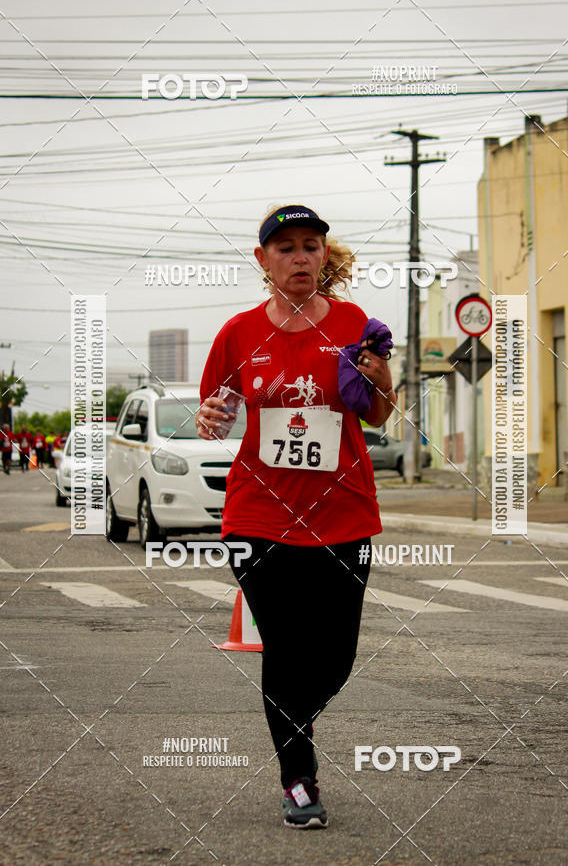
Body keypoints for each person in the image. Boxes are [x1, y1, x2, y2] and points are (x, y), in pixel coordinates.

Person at [196, 204, 396, 829]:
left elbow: (381, 415)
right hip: (258, 516)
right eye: (285, 247)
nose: (300, 256)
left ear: (323, 256)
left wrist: (379, 370)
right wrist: (211, 418)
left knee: (334, 657)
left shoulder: (355, 323)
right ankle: (299, 780)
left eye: (311, 245)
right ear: (263, 261)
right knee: (284, 649)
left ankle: (293, 714)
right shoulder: (237, 333)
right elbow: (214, 409)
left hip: (344, 514)